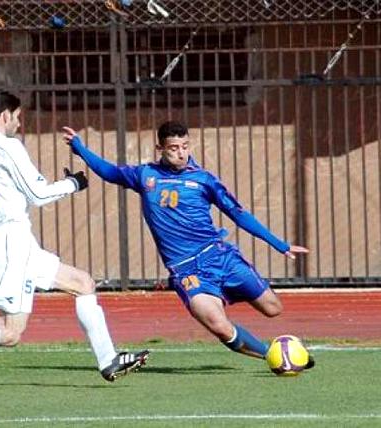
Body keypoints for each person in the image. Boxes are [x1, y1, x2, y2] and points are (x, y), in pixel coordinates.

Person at [0, 89, 149, 387]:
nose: (19, 123)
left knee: (83, 283)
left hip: (15, 240)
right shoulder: (8, 147)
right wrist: (72, 184)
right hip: (11, 242)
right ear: (5, 115)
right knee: (9, 333)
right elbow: (37, 193)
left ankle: (108, 360)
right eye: (18, 117)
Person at [62, 121, 314, 367]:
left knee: (273, 309)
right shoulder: (144, 176)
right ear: (160, 148)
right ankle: (274, 356)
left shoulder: (204, 180)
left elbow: (237, 213)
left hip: (219, 256)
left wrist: (279, 244)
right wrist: (80, 148)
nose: (181, 153)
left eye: (185, 146)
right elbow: (110, 172)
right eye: (174, 148)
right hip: (186, 270)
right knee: (218, 325)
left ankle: (281, 352)